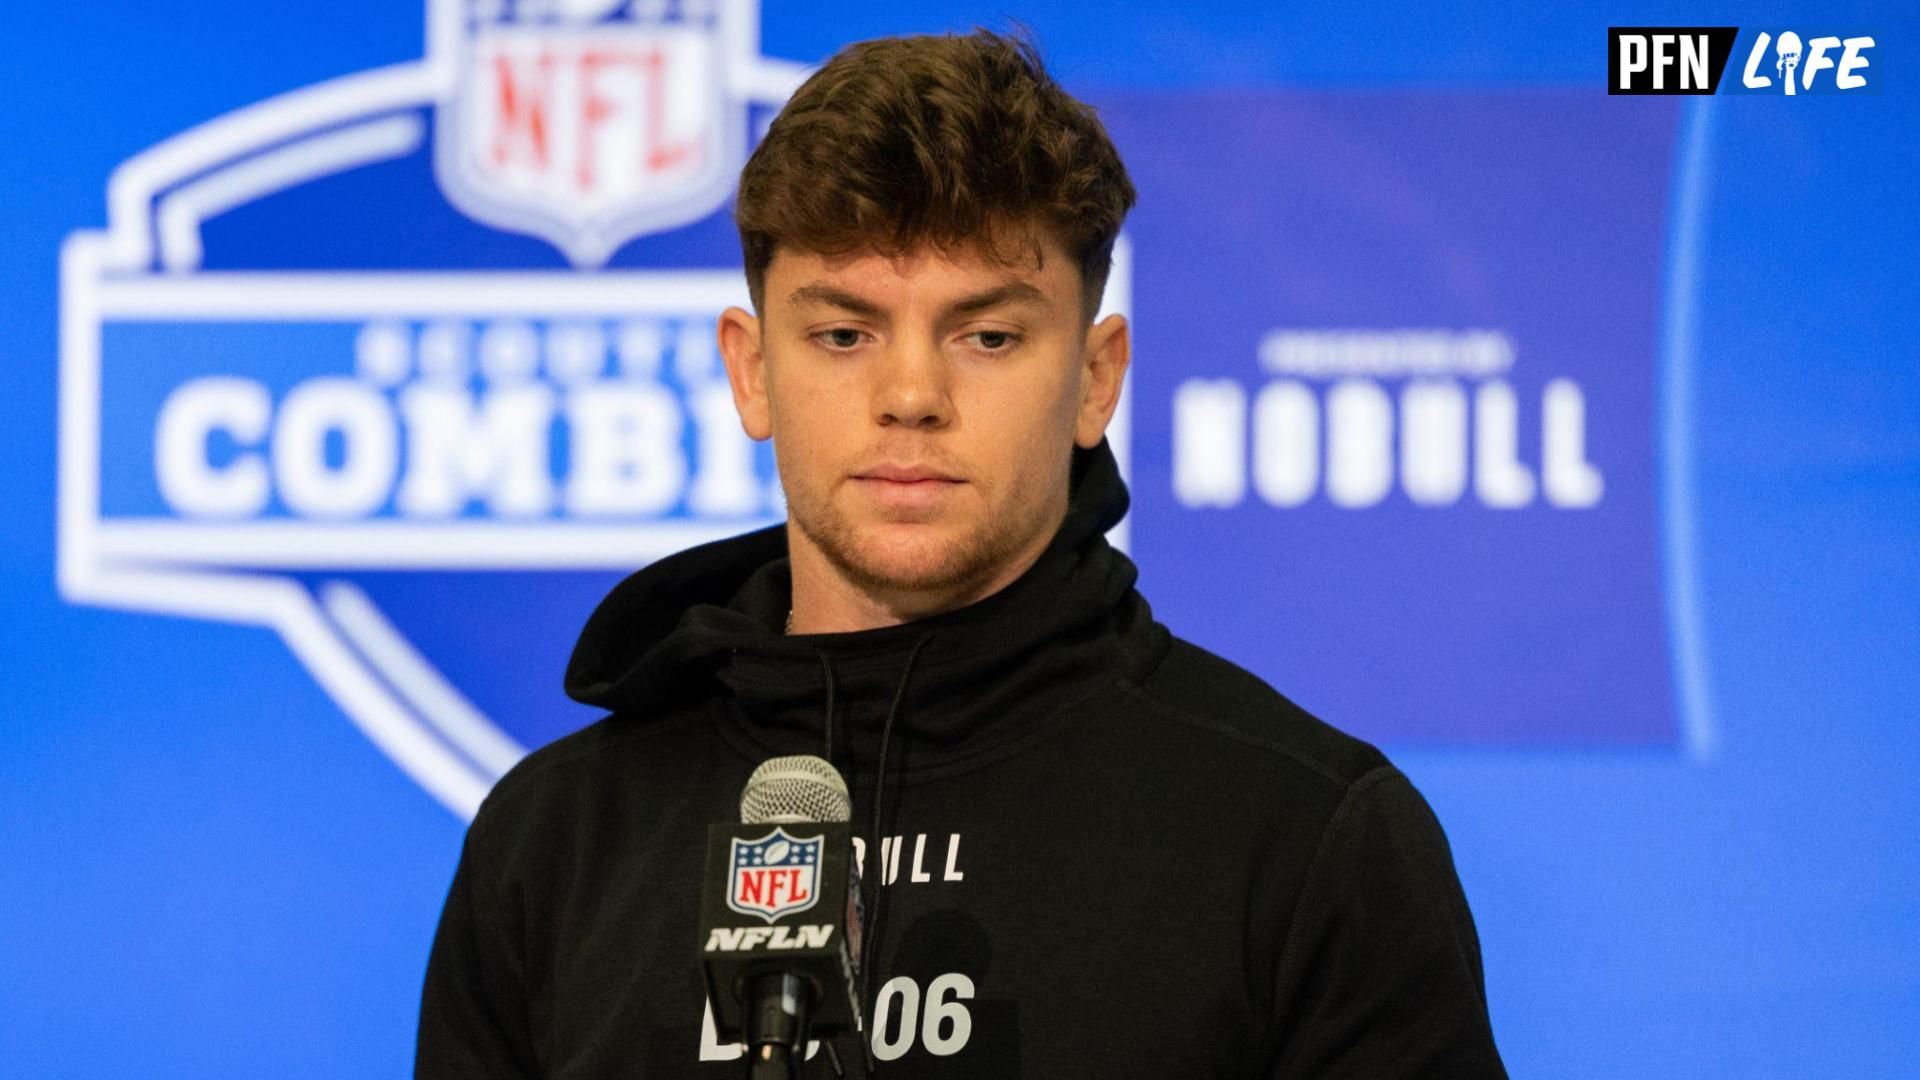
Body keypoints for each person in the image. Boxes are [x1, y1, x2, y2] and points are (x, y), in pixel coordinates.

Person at [416, 28, 1506, 1079]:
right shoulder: (554, 843)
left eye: (987, 336)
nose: (910, 398)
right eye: (843, 334)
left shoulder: (1308, 838)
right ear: (751, 371)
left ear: (1095, 376)